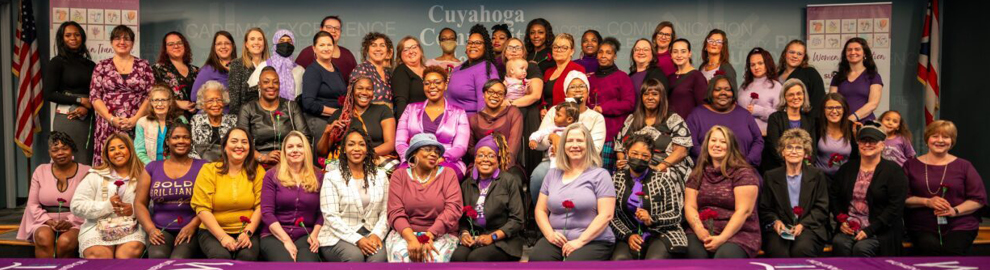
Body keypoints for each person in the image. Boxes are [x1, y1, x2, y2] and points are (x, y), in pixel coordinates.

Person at [528, 124, 616, 261]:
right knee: (537, 259)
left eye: (580, 141)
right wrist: (550, 234)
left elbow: (606, 215)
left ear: (588, 145)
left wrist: (580, 241)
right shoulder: (552, 174)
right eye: (570, 141)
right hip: (557, 238)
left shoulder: (601, 175)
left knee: (573, 264)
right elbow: (540, 210)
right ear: (563, 146)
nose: (575, 145)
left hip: (592, 240)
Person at [903, 120, 986, 256]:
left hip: (960, 223)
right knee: (930, 250)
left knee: (952, 251)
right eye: (935, 136)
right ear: (927, 139)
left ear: (951, 141)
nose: (940, 140)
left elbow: (978, 199)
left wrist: (955, 210)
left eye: (946, 137)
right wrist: (927, 202)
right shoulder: (910, 165)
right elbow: (903, 198)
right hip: (922, 225)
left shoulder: (964, 166)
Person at [829, 123, 906, 257]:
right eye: (863, 140)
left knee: (861, 248)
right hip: (849, 228)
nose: (867, 144)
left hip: (881, 229)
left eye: (873, 141)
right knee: (839, 243)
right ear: (858, 144)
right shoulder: (847, 169)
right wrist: (841, 221)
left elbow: (895, 207)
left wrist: (869, 230)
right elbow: (834, 197)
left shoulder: (894, 171)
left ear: (882, 145)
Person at [684, 126, 761, 258]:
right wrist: (699, 230)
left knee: (724, 256)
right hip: (702, 231)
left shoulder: (744, 173)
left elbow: (743, 211)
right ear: (707, 144)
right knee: (694, 253)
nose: (717, 145)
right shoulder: (697, 173)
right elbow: (690, 206)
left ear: (731, 146)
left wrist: (721, 238)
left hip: (738, 233)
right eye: (713, 140)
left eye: (723, 141)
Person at [530, 71, 607, 202]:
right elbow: (539, 144)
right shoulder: (555, 111)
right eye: (572, 87)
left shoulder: (596, 117)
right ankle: (541, 214)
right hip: (553, 161)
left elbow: (596, 148)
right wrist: (552, 137)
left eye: (582, 86)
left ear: (587, 91)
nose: (578, 89)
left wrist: (565, 146)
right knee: (538, 175)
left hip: (585, 162)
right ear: (566, 92)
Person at [386, 133, 463, 262]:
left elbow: (453, 209)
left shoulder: (448, 174)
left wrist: (429, 236)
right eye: (427, 149)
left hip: (441, 233)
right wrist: (411, 239)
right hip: (406, 233)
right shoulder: (399, 175)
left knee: (433, 258)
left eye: (436, 151)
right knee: (402, 258)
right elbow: (395, 212)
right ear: (414, 153)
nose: (434, 154)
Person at [191, 127, 265, 260]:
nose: (239, 146)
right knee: (220, 256)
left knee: (246, 257)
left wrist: (247, 233)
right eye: (234, 141)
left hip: (248, 231)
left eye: (244, 142)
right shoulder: (209, 170)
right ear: (224, 146)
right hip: (213, 232)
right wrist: (223, 237)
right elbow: (202, 208)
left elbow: (261, 206)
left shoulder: (258, 171)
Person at [609, 134, 687, 260]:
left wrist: (652, 219)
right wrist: (628, 236)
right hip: (629, 233)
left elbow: (676, 214)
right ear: (627, 152)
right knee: (620, 260)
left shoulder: (663, 179)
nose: (639, 158)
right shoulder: (617, 179)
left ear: (651, 158)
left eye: (645, 156)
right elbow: (611, 216)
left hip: (661, 233)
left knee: (653, 261)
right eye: (634, 153)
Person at [134, 123, 206, 259]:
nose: (181, 141)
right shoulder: (152, 167)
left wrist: (193, 225)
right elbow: (139, 203)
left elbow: (211, 203)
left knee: (179, 259)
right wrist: (150, 229)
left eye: (186, 137)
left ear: (191, 141)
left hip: (192, 229)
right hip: (160, 229)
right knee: (157, 256)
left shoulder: (203, 166)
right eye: (176, 137)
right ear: (167, 141)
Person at [318, 128, 389, 262]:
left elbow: (386, 211)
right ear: (344, 149)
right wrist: (357, 239)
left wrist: (376, 234)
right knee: (354, 256)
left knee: (378, 258)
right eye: (351, 144)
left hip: (371, 233)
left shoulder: (380, 176)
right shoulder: (332, 177)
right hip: (337, 237)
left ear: (367, 149)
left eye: (361, 144)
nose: (357, 148)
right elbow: (330, 216)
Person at [71, 133, 147, 259]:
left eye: (121, 147)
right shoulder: (95, 175)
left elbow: (154, 205)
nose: (117, 152)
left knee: (127, 254)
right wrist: (107, 206)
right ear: (107, 155)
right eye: (112, 149)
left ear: (130, 149)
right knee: (99, 255)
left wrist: (134, 210)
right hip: (96, 227)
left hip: (132, 227)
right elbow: (76, 206)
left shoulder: (144, 175)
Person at [452, 133, 526, 262]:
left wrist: (492, 237)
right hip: (476, 238)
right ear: (475, 160)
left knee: (477, 258)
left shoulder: (508, 181)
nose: (485, 159)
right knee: (458, 257)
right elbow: (462, 219)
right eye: (480, 155)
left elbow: (517, 220)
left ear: (498, 159)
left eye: (491, 156)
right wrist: (464, 234)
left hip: (504, 241)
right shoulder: (466, 184)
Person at [758, 129, 829, 258]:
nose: (794, 151)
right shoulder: (771, 176)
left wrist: (803, 225)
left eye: (799, 148)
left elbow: (821, 207)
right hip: (780, 229)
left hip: (809, 227)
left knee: (801, 250)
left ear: (805, 153)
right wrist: (775, 222)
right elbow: (765, 208)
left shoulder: (817, 175)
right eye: (789, 147)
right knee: (779, 252)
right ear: (783, 152)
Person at [89, 25, 153, 166]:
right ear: (112, 42)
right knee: (109, 165)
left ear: (133, 42)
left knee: (137, 164)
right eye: (117, 38)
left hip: (138, 123)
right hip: (108, 124)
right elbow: (94, 97)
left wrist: (135, 119)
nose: (122, 42)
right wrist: (111, 119)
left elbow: (151, 95)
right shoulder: (101, 66)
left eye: (127, 38)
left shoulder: (143, 65)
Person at [18, 132, 89, 258]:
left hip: (77, 221)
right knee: (43, 237)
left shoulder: (87, 171)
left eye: (65, 148)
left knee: (66, 242)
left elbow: (89, 204)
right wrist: (49, 221)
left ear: (72, 149)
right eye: (55, 150)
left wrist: (70, 221)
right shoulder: (40, 171)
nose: (60, 153)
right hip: (43, 220)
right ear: (49, 153)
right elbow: (32, 204)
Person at [613, 79, 693, 187]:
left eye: (655, 94)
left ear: (662, 97)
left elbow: (681, 151)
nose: (650, 98)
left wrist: (659, 167)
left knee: (661, 178)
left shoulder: (673, 119)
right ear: (641, 97)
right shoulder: (632, 119)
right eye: (646, 94)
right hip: (634, 166)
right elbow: (619, 147)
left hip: (665, 168)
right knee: (618, 178)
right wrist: (623, 161)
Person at [259, 131, 325, 262]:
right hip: (274, 235)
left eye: (299, 146)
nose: (295, 150)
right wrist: (286, 240)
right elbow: (266, 213)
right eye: (290, 147)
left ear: (306, 149)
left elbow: (323, 212)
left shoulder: (319, 176)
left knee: (308, 264)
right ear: (284, 152)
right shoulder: (272, 175)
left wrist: (314, 235)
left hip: (305, 235)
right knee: (285, 263)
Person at [395, 66, 470, 178]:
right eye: (427, 83)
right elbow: (400, 142)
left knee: (444, 175)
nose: (432, 86)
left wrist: (441, 158)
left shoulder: (459, 112)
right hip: (415, 159)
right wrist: (413, 157)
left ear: (445, 85)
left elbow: (460, 147)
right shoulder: (410, 109)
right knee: (401, 175)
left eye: (437, 82)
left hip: (447, 161)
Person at [317, 76, 397, 168]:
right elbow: (321, 152)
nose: (364, 92)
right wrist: (327, 132)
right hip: (344, 160)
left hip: (375, 158)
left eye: (368, 89)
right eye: (360, 88)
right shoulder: (339, 115)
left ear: (373, 93)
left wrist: (363, 154)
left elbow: (390, 144)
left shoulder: (383, 110)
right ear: (352, 91)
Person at [237, 67, 309, 168]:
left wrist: (289, 156)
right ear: (259, 85)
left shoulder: (291, 106)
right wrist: (263, 157)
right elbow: (241, 143)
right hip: (258, 165)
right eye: (266, 82)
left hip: (290, 162)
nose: (271, 85)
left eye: (275, 82)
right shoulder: (248, 109)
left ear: (279, 85)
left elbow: (305, 138)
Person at [45, 21, 95, 165]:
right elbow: (49, 93)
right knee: (65, 157)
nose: (73, 38)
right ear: (62, 38)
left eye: (77, 35)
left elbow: (97, 93)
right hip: (67, 118)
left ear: (82, 37)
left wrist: (87, 107)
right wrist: (79, 101)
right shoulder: (57, 62)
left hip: (88, 117)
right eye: (68, 35)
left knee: (85, 159)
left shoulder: (90, 65)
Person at [686, 75, 764, 167]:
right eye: (718, 89)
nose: (723, 93)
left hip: (743, 169)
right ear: (710, 92)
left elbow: (758, 140)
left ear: (733, 93)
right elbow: (692, 144)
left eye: (727, 89)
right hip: (708, 170)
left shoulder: (744, 114)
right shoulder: (696, 115)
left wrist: (746, 161)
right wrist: (713, 162)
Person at [588, 37, 636, 172]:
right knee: (591, 172)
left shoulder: (622, 77)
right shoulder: (590, 79)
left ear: (614, 56)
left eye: (608, 53)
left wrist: (604, 108)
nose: (603, 56)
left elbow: (629, 103)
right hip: (592, 133)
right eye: (600, 52)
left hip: (612, 134)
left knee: (606, 173)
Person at [501, 37, 545, 177]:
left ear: (524, 52)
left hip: (527, 113)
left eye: (518, 47)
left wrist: (511, 103)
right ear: (505, 52)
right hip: (505, 115)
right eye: (510, 47)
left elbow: (535, 95)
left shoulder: (530, 67)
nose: (514, 51)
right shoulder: (500, 69)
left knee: (528, 152)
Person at [300, 31, 347, 146]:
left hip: (336, 122)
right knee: (322, 161)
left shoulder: (335, 68)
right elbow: (308, 103)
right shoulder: (312, 71)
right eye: (322, 45)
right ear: (314, 49)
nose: (326, 48)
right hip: (320, 123)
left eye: (329, 45)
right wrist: (336, 112)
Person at [468, 80, 524, 175]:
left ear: (504, 97)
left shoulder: (513, 113)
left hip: (507, 164)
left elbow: (513, 146)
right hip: (481, 163)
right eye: (490, 92)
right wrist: (486, 154)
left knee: (512, 180)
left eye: (500, 93)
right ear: (483, 94)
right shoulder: (474, 119)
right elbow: (470, 149)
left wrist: (500, 163)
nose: (495, 95)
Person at [764, 79, 817, 172]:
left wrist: (803, 167)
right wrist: (791, 165)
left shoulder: (810, 120)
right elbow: (775, 147)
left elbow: (812, 149)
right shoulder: (775, 118)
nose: (795, 97)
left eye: (799, 94)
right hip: (780, 169)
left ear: (804, 96)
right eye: (791, 94)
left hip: (804, 170)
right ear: (784, 97)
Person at [447, 24, 500, 115]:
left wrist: (480, 127)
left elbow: (486, 106)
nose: (473, 45)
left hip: (469, 123)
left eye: (478, 43)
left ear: (485, 47)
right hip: (450, 122)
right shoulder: (458, 68)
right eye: (470, 42)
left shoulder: (485, 68)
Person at [830, 37, 883, 122]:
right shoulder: (837, 77)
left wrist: (852, 118)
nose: (853, 52)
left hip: (864, 125)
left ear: (864, 53)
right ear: (845, 54)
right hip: (840, 123)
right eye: (849, 50)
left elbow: (873, 104)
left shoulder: (874, 76)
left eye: (857, 49)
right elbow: (831, 102)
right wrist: (842, 121)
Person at [135, 85, 188, 164]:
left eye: (163, 100)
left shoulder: (181, 120)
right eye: (156, 100)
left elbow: (187, 147)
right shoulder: (142, 123)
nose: (159, 104)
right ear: (151, 103)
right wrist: (154, 167)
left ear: (169, 102)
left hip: (176, 166)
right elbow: (139, 152)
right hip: (151, 167)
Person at [248, 29, 306, 101]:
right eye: (281, 41)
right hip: (266, 111)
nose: (286, 44)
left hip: (293, 110)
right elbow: (251, 92)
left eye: (289, 41)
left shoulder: (300, 70)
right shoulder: (263, 66)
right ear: (275, 44)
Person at [296, 16, 358, 82]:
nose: (333, 30)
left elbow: (356, 81)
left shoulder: (347, 54)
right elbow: (296, 78)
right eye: (329, 27)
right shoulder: (307, 53)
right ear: (321, 29)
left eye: (337, 28)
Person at [737, 47, 781, 137]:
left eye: (760, 63)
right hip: (744, 136)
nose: (756, 67)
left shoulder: (776, 86)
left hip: (766, 137)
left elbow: (780, 117)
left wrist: (759, 111)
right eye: (752, 65)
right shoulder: (744, 86)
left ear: (767, 64)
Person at [152, 31, 199, 114]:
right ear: (165, 49)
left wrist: (197, 105)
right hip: (170, 119)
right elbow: (152, 97)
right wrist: (177, 103)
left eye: (179, 43)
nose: (176, 46)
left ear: (185, 46)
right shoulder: (157, 70)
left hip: (196, 119)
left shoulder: (196, 70)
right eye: (171, 44)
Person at [190, 81, 237, 162]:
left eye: (219, 100)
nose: (215, 104)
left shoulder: (233, 120)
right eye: (210, 100)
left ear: (224, 101)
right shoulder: (196, 120)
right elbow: (191, 149)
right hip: (202, 167)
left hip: (228, 165)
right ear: (203, 104)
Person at [814, 93, 858, 178]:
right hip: (820, 179)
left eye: (838, 107)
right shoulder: (816, 126)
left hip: (845, 179)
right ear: (823, 110)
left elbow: (856, 158)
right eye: (830, 108)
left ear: (844, 109)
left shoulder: (852, 128)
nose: (834, 111)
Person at [777, 40, 825, 116]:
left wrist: (811, 123)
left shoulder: (810, 73)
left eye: (799, 54)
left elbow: (819, 101)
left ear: (804, 57)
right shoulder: (777, 74)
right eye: (792, 52)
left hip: (805, 121)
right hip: (780, 120)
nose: (795, 56)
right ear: (785, 54)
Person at [227, 27, 269, 115]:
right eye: (252, 39)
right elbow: (234, 101)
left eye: (260, 39)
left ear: (264, 43)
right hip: (246, 117)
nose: (256, 42)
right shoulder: (237, 64)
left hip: (268, 116)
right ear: (246, 44)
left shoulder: (271, 65)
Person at [191, 31, 236, 103]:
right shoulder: (208, 70)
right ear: (214, 47)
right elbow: (194, 97)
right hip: (216, 112)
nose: (223, 46)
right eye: (219, 44)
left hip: (239, 113)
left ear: (233, 46)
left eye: (227, 43)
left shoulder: (241, 66)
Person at [667, 38, 708, 119]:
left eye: (683, 51)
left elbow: (703, 107)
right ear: (671, 55)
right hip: (670, 126)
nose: (679, 55)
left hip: (688, 127)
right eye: (675, 52)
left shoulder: (697, 76)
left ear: (689, 54)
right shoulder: (670, 77)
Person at [351, 32, 394, 107]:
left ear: (387, 51)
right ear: (367, 50)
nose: (378, 49)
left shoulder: (388, 74)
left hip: (389, 116)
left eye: (382, 45)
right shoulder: (361, 70)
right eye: (373, 45)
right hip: (367, 117)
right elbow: (355, 98)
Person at [542, 33, 586, 107]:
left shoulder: (577, 70)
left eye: (564, 47)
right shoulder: (548, 72)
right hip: (546, 116)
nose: (559, 50)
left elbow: (579, 99)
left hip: (566, 115)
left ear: (572, 51)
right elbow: (543, 98)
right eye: (555, 47)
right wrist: (542, 109)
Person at [391, 36, 427, 120]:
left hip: (430, 121)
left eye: (414, 47)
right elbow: (401, 103)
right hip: (412, 123)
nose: (411, 51)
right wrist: (403, 127)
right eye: (406, 50)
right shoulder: (401, 72)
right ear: (400, 55)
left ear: (420, 50)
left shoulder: (429, 71)